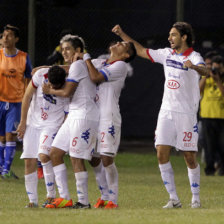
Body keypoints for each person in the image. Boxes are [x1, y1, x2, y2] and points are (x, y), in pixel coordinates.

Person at [112, 22, 209, 208]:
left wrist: (195, 68)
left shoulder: (195, 56)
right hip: (166, 111)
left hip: (186, 114)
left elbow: (206, 71)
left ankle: (195, 198)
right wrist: (122, 33)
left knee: (189, 156)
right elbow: (140, 50)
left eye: (173, 35)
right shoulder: (166, 54)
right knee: (161, 153)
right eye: (169, 35)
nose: (169, 38)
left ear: (184, 37)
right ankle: (174, 198)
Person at [42, 34, 99, 209]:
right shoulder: (75, 66)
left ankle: (83, 201)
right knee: (55, 153)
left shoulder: (78, 65)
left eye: (68, 48)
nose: (64, 51)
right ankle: (65, 198)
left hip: (84, 115)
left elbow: (67, 92)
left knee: (76, 157)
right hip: (74, 114)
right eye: (62, 48)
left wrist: (49, 91)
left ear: (78, 51)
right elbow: (64, 69)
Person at [79, 40, 136, 208]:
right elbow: (79, 69)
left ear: (126, 55)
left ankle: (113, 199)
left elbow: (95, 77)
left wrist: (86, 57)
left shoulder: (120, 66)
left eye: (122, 45)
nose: (118, 43)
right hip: (94, 116)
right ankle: (104, 196)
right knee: (93, 158)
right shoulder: (100, 62)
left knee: (106, 158)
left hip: (108, 117)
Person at [16, 65, 69, 208]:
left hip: (51, 124)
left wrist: (63, 132)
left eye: (55, 86)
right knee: (29, 160)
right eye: (51, 84)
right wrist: (23, 122)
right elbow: (27, 97)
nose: (52, 86)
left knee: (44, 155)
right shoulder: (40, 75)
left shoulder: (68, 86)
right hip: (33, 122)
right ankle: (32, 201)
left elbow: (66, 113)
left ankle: (51, 196)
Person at [0, 24, 32, 178]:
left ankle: (6, 171)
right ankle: (1, 168)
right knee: (1, 137)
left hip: (15, 102)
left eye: (9, 35)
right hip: (0, 101)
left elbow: (28, 79)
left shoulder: (23, 57)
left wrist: (27, 98)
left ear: (16, 39)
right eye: (4, 35)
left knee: (10, 136)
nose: (5, 38)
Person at [200, 55, 224, 176]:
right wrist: (205, 77)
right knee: (208, 146)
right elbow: (198, 91)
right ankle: (209, 169)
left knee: (222, 145)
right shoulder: (206, 79)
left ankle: (222, 169)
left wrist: (218, 80)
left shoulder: (221, 79)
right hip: (207, 116)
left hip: (221, 117)